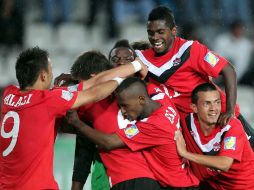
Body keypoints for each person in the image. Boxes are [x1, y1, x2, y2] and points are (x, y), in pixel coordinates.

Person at [0, 47, 147, 189]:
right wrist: (128, 76)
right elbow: (94, 91)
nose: (52, 75)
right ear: (43, 76)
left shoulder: (9, 94)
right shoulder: (48, 100)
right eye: (51, 70)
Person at [134, 6, 254, 151]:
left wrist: (229, 111)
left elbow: (228, 70)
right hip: (192, 128)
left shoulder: (191, 49)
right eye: (150, 33)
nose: (155, 38)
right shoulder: (143, 59)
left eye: (160, 32)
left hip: (220, 117)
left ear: (173, 31)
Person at [67, 77, 200, 189]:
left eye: (125, 105)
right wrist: (81, 81)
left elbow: (109, 143)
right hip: (183, 180)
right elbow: (140, 82)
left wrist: (77, 123)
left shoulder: (153, 126)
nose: (123, 112)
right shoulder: (162, 98)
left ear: (141, 99)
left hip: (178, 186)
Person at [67, 51, 161, 190]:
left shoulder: (92, 103)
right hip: (143, 178)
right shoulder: (134, 95)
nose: (79, 88)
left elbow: (104, 143)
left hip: (133, 181)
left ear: (93, 79)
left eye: (80, 83)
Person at [174, 83, 254, 189]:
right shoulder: (187, 121)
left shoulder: (231, 126)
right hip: (212, 185)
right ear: (194, 107)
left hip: (244, 187)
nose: (213, 109)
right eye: (207, 104)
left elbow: (224, 164)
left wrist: (185, 154)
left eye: (217, 103)